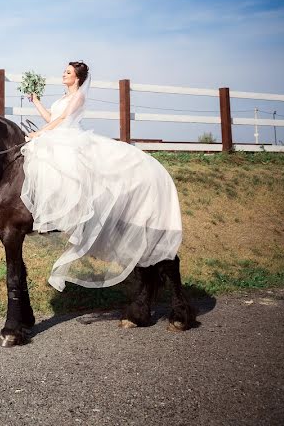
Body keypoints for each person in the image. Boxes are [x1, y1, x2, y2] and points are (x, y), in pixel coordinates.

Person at [20, 61, 182, 291]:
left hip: (69, 137)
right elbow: (51, 118)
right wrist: (36, 101)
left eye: (68, 72)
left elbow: (62, 121)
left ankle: (64, 211)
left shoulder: (79, 97)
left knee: (57, 160)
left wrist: (39, 133)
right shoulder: (62, 98)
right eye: (64, 71)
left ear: (77, 78)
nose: (63, 74)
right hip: (57, 134)